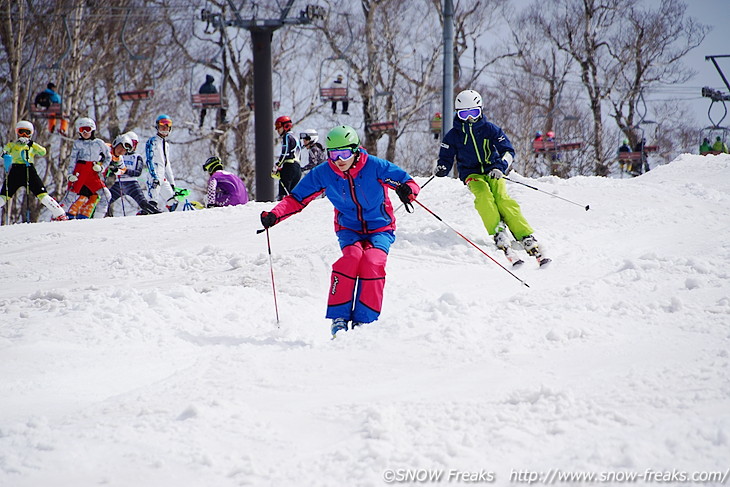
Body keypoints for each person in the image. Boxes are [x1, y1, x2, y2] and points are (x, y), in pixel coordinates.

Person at [259, 125, 420, 337]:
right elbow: (296, 199)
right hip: (349, 229)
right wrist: (275, 215)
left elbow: (407, 182)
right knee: (351, 258)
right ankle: (339, 318)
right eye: (333, 154)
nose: (339, 159)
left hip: (380, 228)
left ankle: (365, 320)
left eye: (344, 153)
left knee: (372, 262)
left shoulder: (374, 166)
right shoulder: (324, 173)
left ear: (355, 150)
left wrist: (408, 191)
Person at [435, 89, 550, 267]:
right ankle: (498, 232)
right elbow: (446, 157)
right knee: (483, 198)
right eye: (464, 114)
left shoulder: (490, 129)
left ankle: (524, 234)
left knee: (502, 199)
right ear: (458, 114)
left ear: (480, 110)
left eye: (474, 112)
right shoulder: (453, 135)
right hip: (471, 173)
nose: (470, 118)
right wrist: (442, 167)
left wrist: (500, 166)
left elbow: (508, 151)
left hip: (492, 169)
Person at [0, 121, 68, 221]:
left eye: (27, 133)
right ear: (17, 132)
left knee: (41, 192)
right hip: (16, 171)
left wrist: (32, 144)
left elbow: (43, 151)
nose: (24, 135)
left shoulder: (31, 145)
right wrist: (5, 154)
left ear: (31, 134)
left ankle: (59, 213)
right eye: (21, 132)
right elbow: (4, 152)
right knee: (4, 194)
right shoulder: (12, 145)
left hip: (29, 170)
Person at [105, 133, 161, 216]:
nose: (130, 147)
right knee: (106, 201)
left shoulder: (136, 157)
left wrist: (124, 171)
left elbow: (137, 172)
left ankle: (158, 214)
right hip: (118, 184)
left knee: (143, 203)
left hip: (131, 184)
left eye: (134, 144)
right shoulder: (118, 155)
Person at [66, 117, 112, 219]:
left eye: (87, 129)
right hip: (80, 170)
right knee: (70, 196)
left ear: (93, 129)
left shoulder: (99, 143)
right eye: (82, 130)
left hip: (93, 172)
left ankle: (98, 218)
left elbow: (108, 157)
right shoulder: (78, 143)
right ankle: (60, 216)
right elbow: (72, 159)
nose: (86, 132)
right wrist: (70, 174)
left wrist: (102, 168)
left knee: (106, 195)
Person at [145, 114, 177, 211]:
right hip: (155, 175)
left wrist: (172, 183)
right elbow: (149, 160)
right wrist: (154, 176)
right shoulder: (152, 141)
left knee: (173, 200)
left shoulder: (166, 145)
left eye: (167, 126)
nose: (164, 129)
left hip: (162, 177)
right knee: (153, 201)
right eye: (162, 126)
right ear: (157, 126)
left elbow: (167, 164)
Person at [272, 115, 301, 200]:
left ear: (286, 126)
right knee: (292, 196)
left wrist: (277, 165)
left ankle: (279, 213)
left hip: (289, 167)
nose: (277, 129)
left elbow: (285, 153)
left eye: (278, 126)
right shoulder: (296, 137)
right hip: (297, 169)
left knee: (283, 195)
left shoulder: (287, 136)